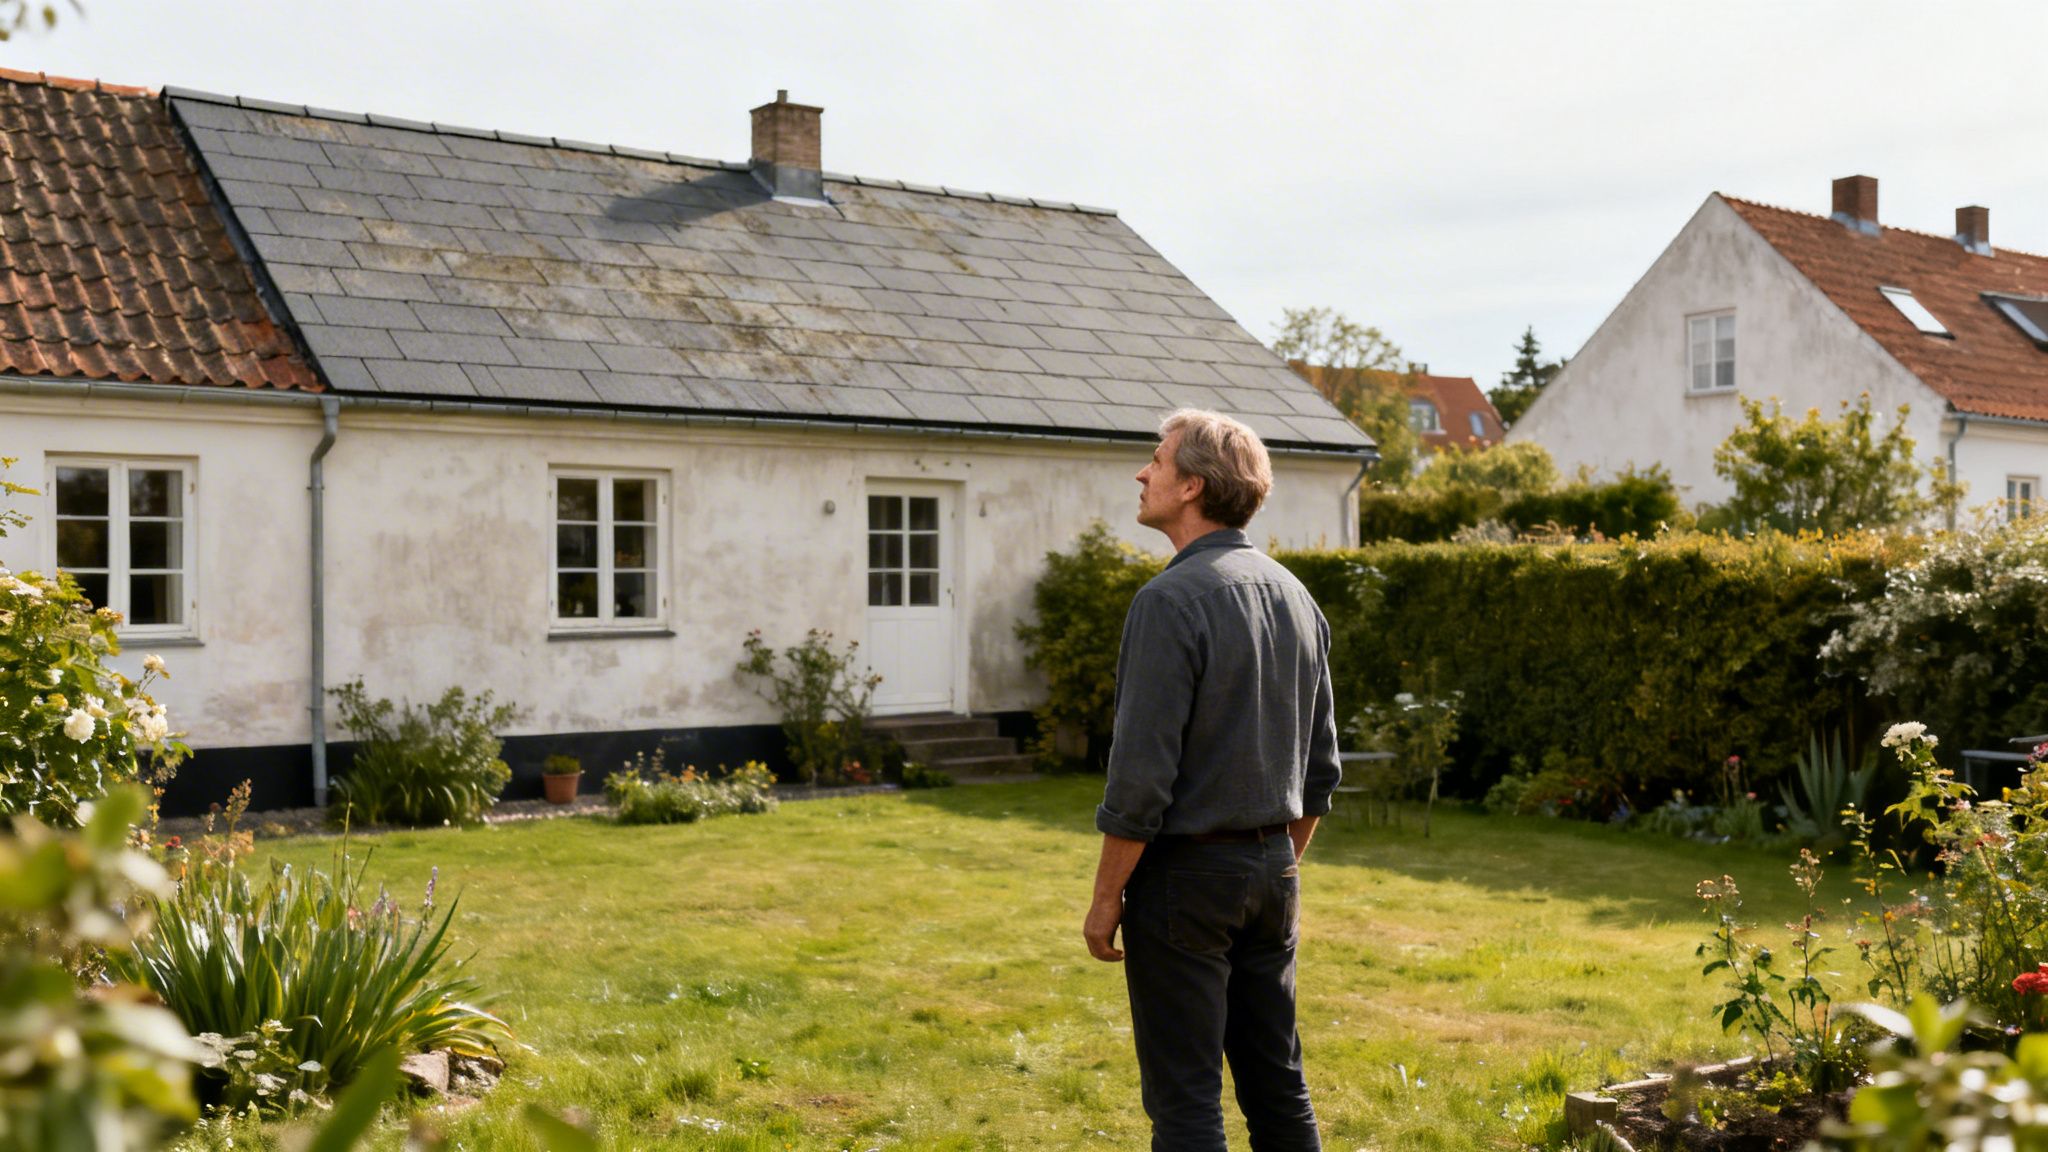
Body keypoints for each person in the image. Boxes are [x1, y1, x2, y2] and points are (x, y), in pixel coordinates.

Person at [1083, 408, 1342, 1152]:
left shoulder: (1168, 602)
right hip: (1272, 875)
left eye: (1156, 461)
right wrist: (1272, 868)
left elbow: (1139, 779)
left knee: (1187, 1100)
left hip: (1186, 880)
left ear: (1193, 484)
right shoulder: (1296, 596)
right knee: (1278, 1086)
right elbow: (1322, 771)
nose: (1142, 472)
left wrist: (1105, 902)